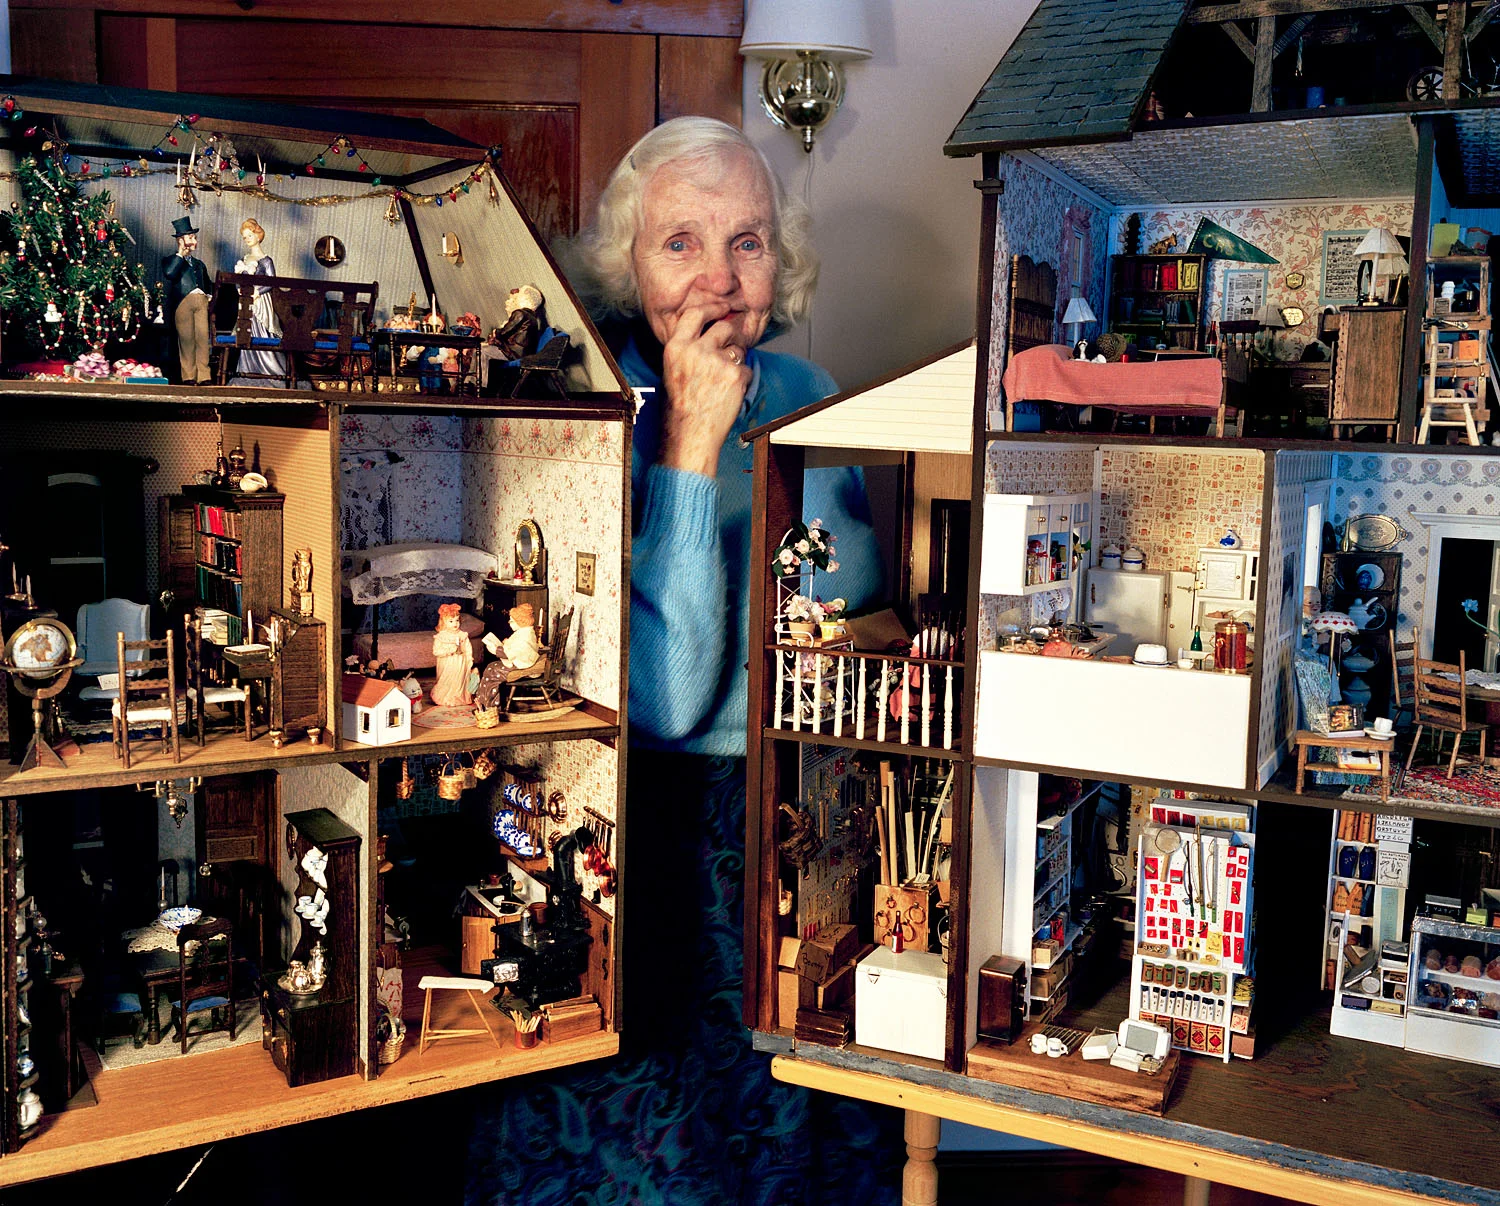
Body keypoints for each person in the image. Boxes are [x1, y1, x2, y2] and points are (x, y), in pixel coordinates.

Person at [467, 117, 901, 1205]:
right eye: (681, 243)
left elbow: (855, 602)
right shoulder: (587, 405)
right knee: (664, 1147)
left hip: (808, 809)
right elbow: (664, 698)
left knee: (809, 1125)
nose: (719, 276)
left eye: (747, 241)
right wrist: (693, 447)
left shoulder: (813, 389)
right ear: (628, 263)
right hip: (657, 823)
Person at [231, 218, 288, 385]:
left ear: (257, 235)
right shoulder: (244, 259)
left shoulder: (266, 260)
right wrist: (240, 289)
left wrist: (257, 292)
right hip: (246, 301)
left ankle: (273, 371)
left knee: (262, 332)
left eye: (250, 235)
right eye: (245, 237)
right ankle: (247, 371)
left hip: (260, 301)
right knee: (246, 332)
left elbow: (272, 282)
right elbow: (238, 280)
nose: (247, 239)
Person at [160, 215, 212, 384]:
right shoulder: (171, 261)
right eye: (191, 237)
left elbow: (207, 282)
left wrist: (208, 296)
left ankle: (204, 375)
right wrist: (180, 254)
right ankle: (189, 375)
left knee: (202, 339)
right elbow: (170, 273)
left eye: (194, 237)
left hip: (201, 302)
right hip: (183, 302)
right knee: (187, 340)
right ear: (181, 240)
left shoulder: (199, 264)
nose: (195, 241)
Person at [429, 602, 473, 707]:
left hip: (460, 663)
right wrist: (449, 650)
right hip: (447, 664)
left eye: (457, 620)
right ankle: (444, 697)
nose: (455, 624)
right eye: (451, 621)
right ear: (444, 622)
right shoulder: (441, 637)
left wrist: (469, 659)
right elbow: (436, 651)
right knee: (446, 681)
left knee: (459, 680)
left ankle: (458, 697)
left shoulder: (462, 635)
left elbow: (468, 648)